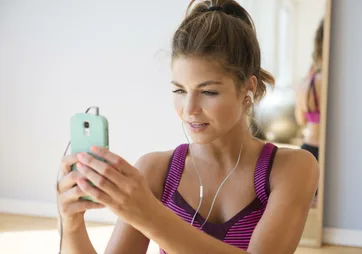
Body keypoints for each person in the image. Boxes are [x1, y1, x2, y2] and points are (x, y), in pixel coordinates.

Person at [56, 1, 319, 253]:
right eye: (179, 90)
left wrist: (148, 213)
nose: (189, 109)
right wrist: (72, 224)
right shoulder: (155, 170)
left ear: (247, 87)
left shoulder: (292, 169)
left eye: (209, 92)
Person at [295, 19, 324, 161]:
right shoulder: (332, 82)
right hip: (327, 149)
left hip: (308, 147)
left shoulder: (305, 83)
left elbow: (301, 120)